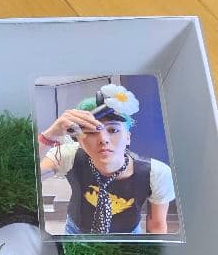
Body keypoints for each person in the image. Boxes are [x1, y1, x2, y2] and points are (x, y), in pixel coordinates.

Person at [38, 84, 174, 235]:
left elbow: (157, 226)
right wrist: (49, 135)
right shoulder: (68, 156)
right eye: (91, 131)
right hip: (76, 232)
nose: (103, 139)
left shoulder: (156, 173)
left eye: (113, 130)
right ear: (79, 140)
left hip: (128, 236)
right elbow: (21, 176)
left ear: (128, 137)